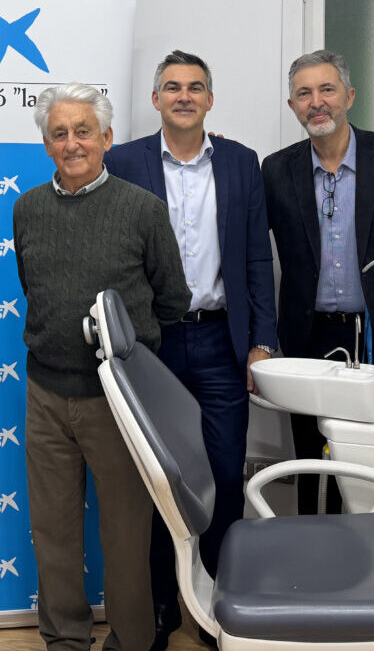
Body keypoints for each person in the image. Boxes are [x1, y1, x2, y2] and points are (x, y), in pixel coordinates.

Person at [105, 50, 278, 650]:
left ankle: (221, 604)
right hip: (150, 343)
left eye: (195, 87)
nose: (183, 96)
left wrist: (262, 341)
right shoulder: (122, 161)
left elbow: (257, 256)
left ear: (210, 100)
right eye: (172, 87)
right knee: (158, 480)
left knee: (225, 474)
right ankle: (159, 608)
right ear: (155, 99)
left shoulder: (239, 162)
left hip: (219, 339)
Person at [14, 82, 191, 651]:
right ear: (46, 144)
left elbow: (173, 299)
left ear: (107, 138)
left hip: (118, 399)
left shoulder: (142, 210)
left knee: (125, 532)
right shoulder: (28, 209)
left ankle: (132, 640)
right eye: (59, 133)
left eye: (83, 131)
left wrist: (129, 356)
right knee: (53, 530)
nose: (72, 143)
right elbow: (34, 288)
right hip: (44, 393)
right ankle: (64, 638)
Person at [261, 49, 374, 515]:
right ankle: (314, 558)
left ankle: (372, 561)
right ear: (293, 105)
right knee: (309, 459)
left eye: (327, 89)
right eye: (304, 93)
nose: (317, 102)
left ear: (349, 96)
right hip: (307, 336)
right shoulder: (275, 171)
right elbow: (255, 256)